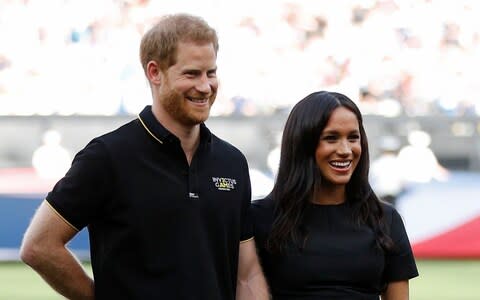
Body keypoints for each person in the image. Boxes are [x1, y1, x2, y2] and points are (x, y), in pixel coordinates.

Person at [20, 14, 269, 300]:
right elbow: (39, 245)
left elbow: (247, 274)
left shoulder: (232, 162)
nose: (205, 86)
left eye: (210, 73)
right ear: (155, 72)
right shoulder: (107, 157)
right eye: (191, 74)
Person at [252, 91, 418, 299]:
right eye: (331, 138)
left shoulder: (385, 219)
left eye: (353, 137)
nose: (345, 150)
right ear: (303, 144)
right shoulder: (259, 219)